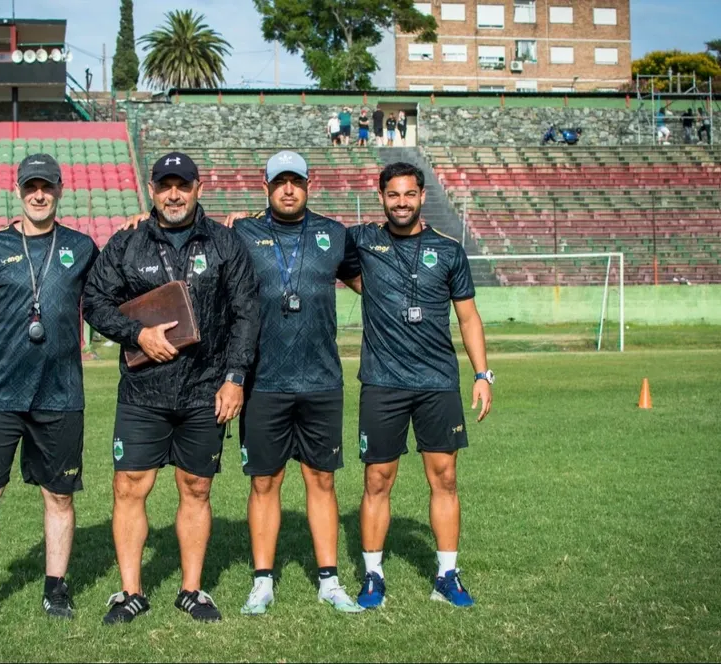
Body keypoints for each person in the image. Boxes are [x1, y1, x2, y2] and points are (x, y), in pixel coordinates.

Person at [82, 152, 259, 625]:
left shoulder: (226, 243)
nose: (174, 194)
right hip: (143, 391)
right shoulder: (127, 242)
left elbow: (246, 313)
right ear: (152, 189)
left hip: (206, 390)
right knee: (129, 488)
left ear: (199, 187)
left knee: (197, 488)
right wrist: (136, 335)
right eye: (165, 186)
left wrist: (235, 377)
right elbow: (94, 300)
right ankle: (129, 592)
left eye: (182, 185)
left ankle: (192, 590)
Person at [0, 153, 100, 626]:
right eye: (31, 186)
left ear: (60, 189)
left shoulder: (81, 246)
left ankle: (56, 590)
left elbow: (109, 293)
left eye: (48, 186)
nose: (39, 194)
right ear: (19, 191)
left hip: (60, 396)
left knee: (59, 497)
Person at [218, 151, 365, 615]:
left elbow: (375, 281)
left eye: (295, 181)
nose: (288, 189)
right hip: (263, 382)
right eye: (279, 181)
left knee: (321, 479)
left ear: (308, 184)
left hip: (322, 381)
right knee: (265, 482)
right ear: (265, 186)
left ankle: (329, 580)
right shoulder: (241, 233)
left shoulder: (334, 234)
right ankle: (263, 582)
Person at [347, 162, 493, 610]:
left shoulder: (448, 251)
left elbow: (468, 316)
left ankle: (447, 575)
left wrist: (483, 374)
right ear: (381, 197)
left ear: (423, 196)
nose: (402, 202)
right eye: (393, 195)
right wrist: (245, 219)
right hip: (382, 382)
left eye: (409, 194)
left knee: (445, 477)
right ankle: (373, 577)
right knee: (377, 479)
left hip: (437, 382)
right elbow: (307, 232)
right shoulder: (362, 240)